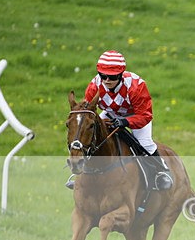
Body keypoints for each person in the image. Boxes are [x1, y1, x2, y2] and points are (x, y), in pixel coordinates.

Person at [67, 50, 172, 190]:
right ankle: (80, 175)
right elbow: (88, 111)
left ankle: (161, 172)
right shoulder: (95, 85)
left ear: (121, 74)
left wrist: (125, 122)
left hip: (136, 115)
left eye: (112, 76)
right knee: (87, 133)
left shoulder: (136, 86)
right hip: (110, 112)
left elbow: (145, 115)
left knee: (145, 143)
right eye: (103, 76)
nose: (107, 80)